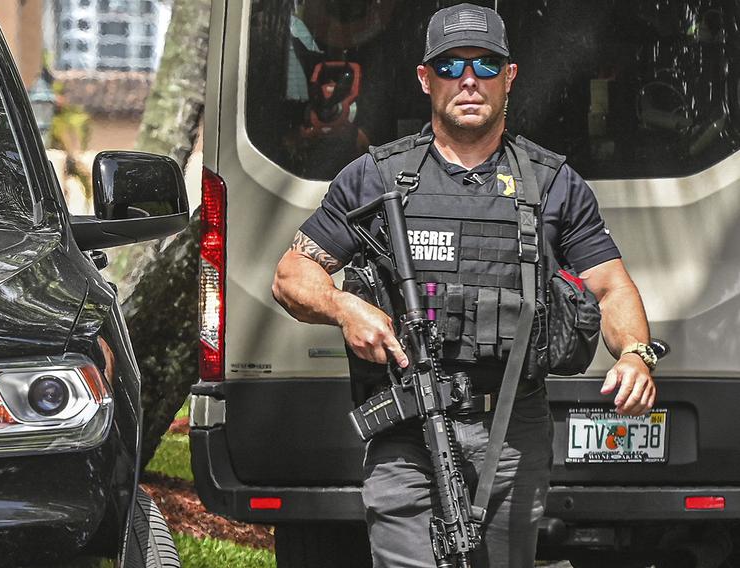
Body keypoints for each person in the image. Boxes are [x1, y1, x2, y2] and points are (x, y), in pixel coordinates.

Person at [272, 4, 658, 568]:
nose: (469, 79)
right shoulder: (378, 177)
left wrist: (635, 355)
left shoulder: (551, 185)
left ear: (509, 77)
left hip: (512, 430)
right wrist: (344, 307)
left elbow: (612, 287)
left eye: (485, 64)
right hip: (407, 426)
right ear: (426, 79)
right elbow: (290, 276)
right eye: (450, 66)